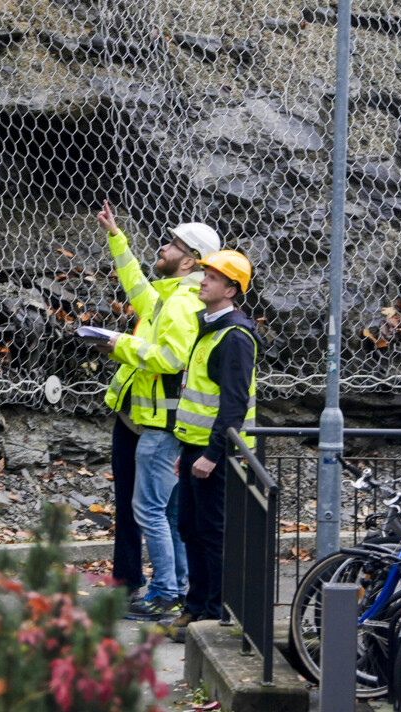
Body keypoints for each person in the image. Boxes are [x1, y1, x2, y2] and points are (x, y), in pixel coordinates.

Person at [94, 199, 222, 620]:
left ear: (190, 262)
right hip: (146, 420)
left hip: (160, 425)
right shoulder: (171, 298)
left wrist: (119, 344)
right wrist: (117, 239)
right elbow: (136, 288)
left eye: (172, 245)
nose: (162, 249)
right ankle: (177, 589)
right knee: (164, 511)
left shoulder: (182, 305)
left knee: (151, 510)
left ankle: (165, 592)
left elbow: (171, 358)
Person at [168, 250, 259, 642]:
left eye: (213, 277)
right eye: (204, 273)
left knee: (212, 532)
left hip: (218, 455)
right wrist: (187, 450)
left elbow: (233, 405)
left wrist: (210, 454)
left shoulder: (234, 337)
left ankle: (214, 613)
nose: (203, 280)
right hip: (196, 450)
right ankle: (197, 605)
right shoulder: (210, 328)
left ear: (231, 289)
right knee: (190, 527)